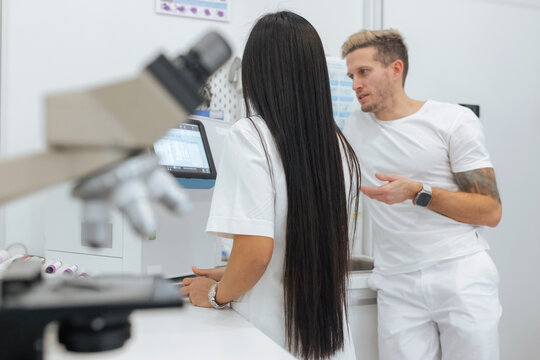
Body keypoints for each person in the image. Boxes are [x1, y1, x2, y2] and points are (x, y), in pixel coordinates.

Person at [181, 11, 361, 360]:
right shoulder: (336, 144)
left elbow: (256, 253)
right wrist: (234, 271)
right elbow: (293, 250)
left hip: (269, 339)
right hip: (330, 344)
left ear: (257, 72)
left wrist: (217, 292)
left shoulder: (250, 136)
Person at [341, 29, 503, 360]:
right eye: (351, 75)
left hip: (459, 273)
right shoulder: (354, 126)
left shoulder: (452, 121)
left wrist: (418, 192)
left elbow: (489, 210)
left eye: (364, 72)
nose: (355, 83)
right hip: (396, 285)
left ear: (395, 69)